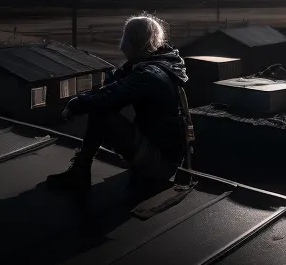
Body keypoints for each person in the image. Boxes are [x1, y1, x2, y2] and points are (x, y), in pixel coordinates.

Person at [46, 13, 189, 190]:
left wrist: (75, 104)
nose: (122, 46)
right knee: (102, 104)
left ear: (134, 41)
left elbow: (110, 96)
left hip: (160, 164)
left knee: (103, 111)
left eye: (125, 37)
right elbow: (113, 88)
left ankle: (80, 171)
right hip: (164, 157)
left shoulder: (150, 75)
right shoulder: (157, 65)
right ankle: (80, 170)